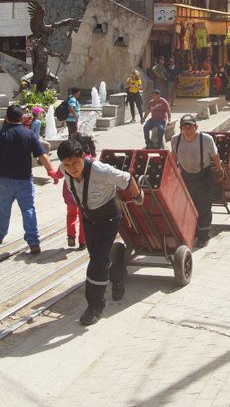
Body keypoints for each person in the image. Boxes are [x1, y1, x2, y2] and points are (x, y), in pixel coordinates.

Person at [57, 137, 139, 326]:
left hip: (109, 217)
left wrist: (138, 196)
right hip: (88, 218)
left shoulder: (100, 170)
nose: (72, 168)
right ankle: (117, 274)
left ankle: (95, 306)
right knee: (97, 258)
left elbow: (127, 179)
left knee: (97, 261)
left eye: (75, 163)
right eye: (67, 164)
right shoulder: (64, 170)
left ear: (83, 157)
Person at [0, 104, 59, 252]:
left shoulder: (0, 135)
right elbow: (42, 155)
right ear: (21, 118)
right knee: (28, 209)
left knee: (3, 209)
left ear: (7, 118)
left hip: (5, 180)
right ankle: (33, 241)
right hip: (24, 180)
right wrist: (51, 172)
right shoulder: (29, 135)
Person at [171, 114, 224, 247]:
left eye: (190, 126)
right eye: (184, 127)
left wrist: (219, 171)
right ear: (181, 128)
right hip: (186, 175)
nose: (188, 130)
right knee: (189, 205)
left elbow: (215, 156)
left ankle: (204, 236)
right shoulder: (175, 140)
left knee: (204, 206)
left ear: (196, 127)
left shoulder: (206, 139)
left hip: (204, 176)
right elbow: (173, 157)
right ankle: (192, 232)